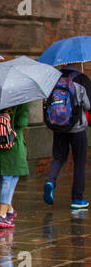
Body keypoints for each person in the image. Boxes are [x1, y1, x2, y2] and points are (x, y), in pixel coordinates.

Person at [43, 63, 91, 210]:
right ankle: (77, 198)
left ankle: (51, 181)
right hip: (77, 129)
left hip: (58, 127)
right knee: (79, 162)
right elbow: (89, 105)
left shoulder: (52, 79)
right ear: (77, 63)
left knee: (58, 157)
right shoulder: (81, 79)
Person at [0, 103, 29, 228]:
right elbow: (22, 123)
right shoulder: (21, 100)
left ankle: (10, 210)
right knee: (10, 177)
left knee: (3, 178)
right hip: (12, 144)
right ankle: (2, 216)